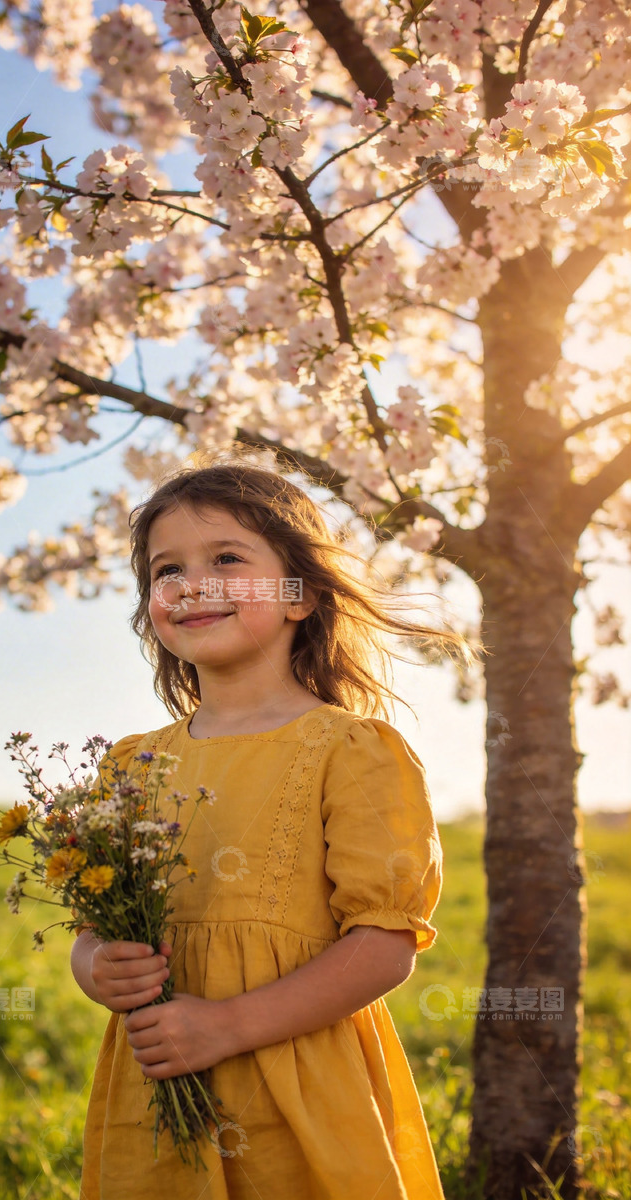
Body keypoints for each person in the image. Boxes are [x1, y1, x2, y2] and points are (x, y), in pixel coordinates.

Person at [70, 455, 466, 1200]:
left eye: (226, 558)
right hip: (158, 1088)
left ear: (301, 595)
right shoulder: (131, 763)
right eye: (167, 570)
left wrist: (226, 1026)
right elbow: (92, 927)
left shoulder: (352, 750)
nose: (191, 583)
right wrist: (96, 966)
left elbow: (384, 946)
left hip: (299, 1085)